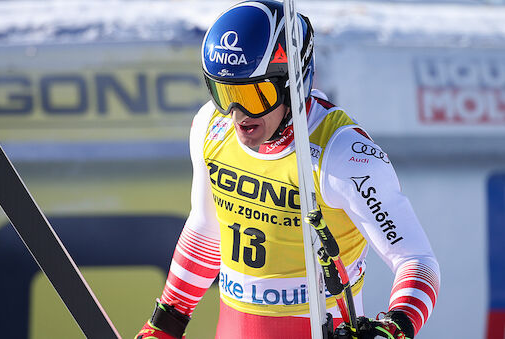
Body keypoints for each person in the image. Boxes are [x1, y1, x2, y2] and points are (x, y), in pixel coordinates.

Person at [136, 1, 440, 338]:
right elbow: (207, 231)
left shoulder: (343, 156)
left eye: (255, 96)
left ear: (291, 84)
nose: (238, 115)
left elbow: (417, 261)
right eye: (225, 92)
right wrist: (166, 322)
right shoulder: (211, 125)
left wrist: (395, 326)